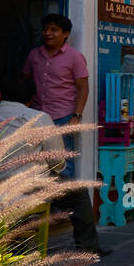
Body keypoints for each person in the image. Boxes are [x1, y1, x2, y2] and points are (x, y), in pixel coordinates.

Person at [0, 75, 110, 256]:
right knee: (79, 193)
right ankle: (88, 249)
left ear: (1, 95)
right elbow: (57, 161)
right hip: (31, 187)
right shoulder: (39, 118)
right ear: (31, 99)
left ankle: (19, 243)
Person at [22, 12, 90, 179]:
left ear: (65, 34)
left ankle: (63, 202)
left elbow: (83, 87)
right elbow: (24, 81)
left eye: (54, 30)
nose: (48, 33)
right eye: (45, 29)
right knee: (36, 160)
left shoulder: (74, 57)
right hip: (37, 116)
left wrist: (76, 115)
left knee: (63, 162)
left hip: (63, 117)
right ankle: (43, 201)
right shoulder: (34, 55)